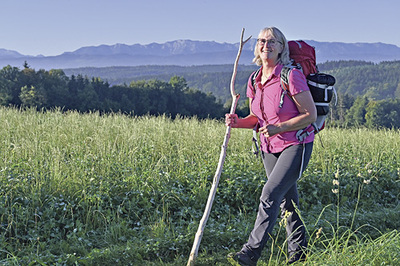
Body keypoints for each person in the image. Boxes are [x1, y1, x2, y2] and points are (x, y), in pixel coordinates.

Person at [226, 27, 317, 265]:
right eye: (262, 41)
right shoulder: (254, 80)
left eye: (272, 41)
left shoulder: (290, 76)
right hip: (268, 147)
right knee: (287, 202)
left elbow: (310, 114)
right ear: (257, 47)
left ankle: (249, 253)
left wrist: (280, 128)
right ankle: (299, 256)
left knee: (269, 195)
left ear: (281, 48)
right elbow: (257, 119)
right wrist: (238, 123)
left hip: (296, 143)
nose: (266, 45)